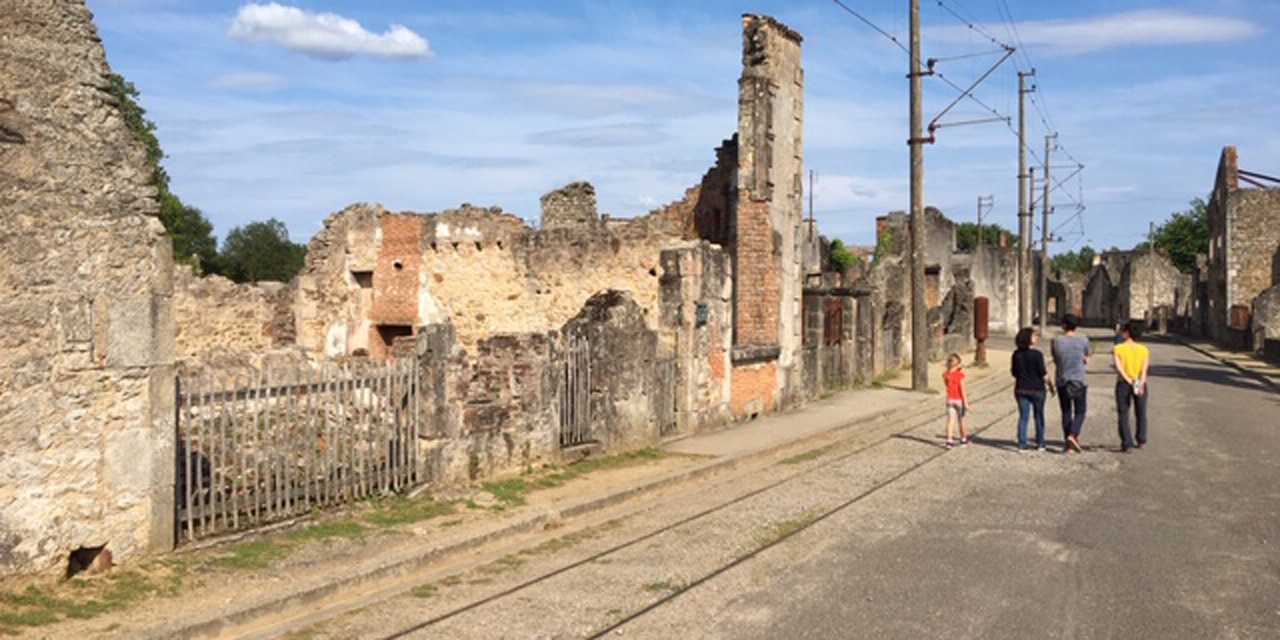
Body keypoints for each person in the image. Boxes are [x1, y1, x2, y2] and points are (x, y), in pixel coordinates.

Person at [1051, 315, 1091, 453]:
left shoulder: (1056, 341)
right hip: (1078, 380)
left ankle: (1068, 443)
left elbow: (1056, 359)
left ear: (1063, 326)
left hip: (1062, 379)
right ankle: (1073, 434)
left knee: (1066, 411)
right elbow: (1086, 358)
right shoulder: (1083, 340)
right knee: (1080, 411)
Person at [1011, 327, 1051, 452]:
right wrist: (1050, 384)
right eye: (1034, 336)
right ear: (1028, 339)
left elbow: (1014, 372)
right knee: (1039, 416)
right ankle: (1040, 443)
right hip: (1037, 389)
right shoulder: (1037, 355)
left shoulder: (1016, 354)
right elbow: (1043, 373)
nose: (1036, 338)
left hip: (1021, 388)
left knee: (1023, 416)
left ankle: (1022, 444)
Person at [1113, 321, 1151, 453]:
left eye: (1123, 331)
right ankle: (1141, 439)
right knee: (1141, 412)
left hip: (1124, 383)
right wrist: (1140, 383)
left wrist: (1128, 380)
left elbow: (1119, 368)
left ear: (1127, 333)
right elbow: (1144, 369)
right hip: (1140, 382)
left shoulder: (1118, 348)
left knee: (1123, 413)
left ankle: (1127, 442)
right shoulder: (1144, 350)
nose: (1122, 333)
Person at [942, 353, 970, 449]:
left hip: (949, 399)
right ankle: (963, 438)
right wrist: (966, 402)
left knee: (950, 421)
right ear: (957, 365)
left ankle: (949, 440)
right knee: (961, 420)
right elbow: (962, 389)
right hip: (959, 400)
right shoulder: (960, 375)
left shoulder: (945, 375)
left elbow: (947, 385)